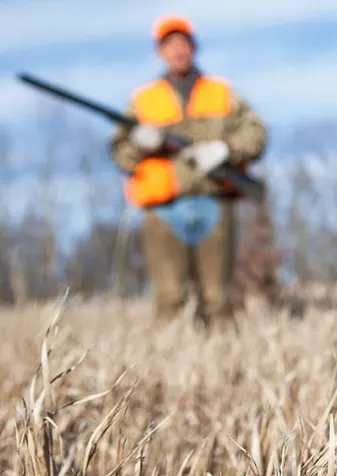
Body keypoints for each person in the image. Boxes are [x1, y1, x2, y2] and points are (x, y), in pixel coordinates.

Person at [109, 14, 266, 332]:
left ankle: (225, 366)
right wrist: (140, 144)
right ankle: (165, 373)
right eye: (170, 45)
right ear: (159, 52)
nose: (178, 51)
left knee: (219, 300)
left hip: (214, 201)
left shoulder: (223, 93)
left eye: (183, 44)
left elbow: (256, 135)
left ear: (193, 48)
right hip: (164, 208)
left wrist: (225, 149)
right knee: (169, 299)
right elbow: (120, 153)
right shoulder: (143, 100)